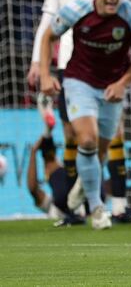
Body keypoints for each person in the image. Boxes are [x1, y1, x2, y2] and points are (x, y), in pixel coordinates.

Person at [27, 0, 131, 224]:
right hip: (72, 68)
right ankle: (86, 208)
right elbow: (47, 27)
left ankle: (101, 197)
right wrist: (39, 66)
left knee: (106, 141)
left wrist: (123, 81)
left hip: (111, 72)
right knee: (79, 136)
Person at [26, 93, 86, 226]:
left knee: (54, 166)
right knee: (67, 164)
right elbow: (33, 189)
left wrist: (33, 152)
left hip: (70, 197)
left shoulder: (50, 205)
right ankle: (48, 131)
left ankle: (48, 131)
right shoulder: (51, 206)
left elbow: (32, 188)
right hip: (82, 194)